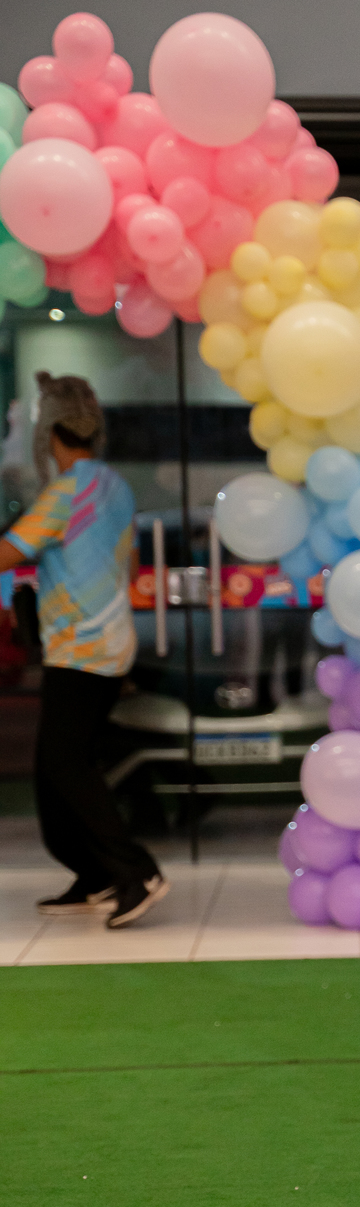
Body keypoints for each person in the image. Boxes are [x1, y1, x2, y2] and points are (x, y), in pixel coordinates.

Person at [0, 372, 168, 929]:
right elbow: (132, 564)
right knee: (59, 768)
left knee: (66, 766)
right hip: (111, 642)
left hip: (79, 647)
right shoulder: (115, 487)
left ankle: (136, 871)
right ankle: (95, 876)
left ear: (50, 434)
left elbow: (8, 552)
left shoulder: (65, 493)